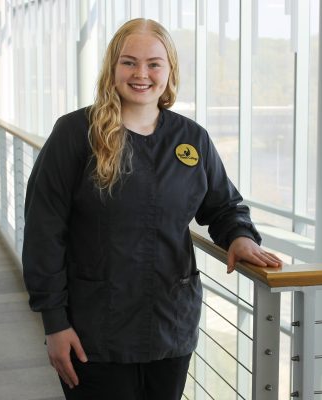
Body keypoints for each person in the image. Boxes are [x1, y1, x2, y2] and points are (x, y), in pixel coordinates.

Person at [22, 18, 283, 400]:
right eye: (129, 62)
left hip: (169, 327)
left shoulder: (191, 140)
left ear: (169, 71)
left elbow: (224, 205)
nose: (141, 74)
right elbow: (44, 231)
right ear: (113, 68)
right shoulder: (76, 134)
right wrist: (54, 322)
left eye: (154, 64)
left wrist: (240, 237)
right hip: (94, 331)